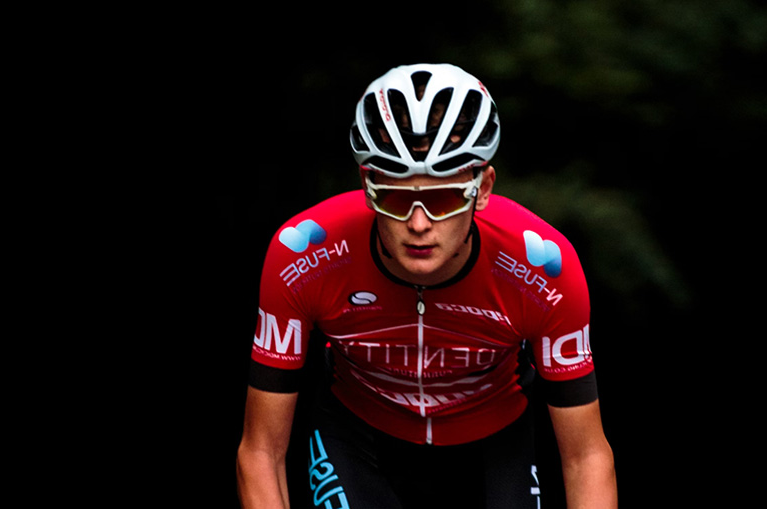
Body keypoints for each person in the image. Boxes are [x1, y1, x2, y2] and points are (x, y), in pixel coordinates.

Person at [237, 63, 617, 508]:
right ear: (368, 186)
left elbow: (586, 458)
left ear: (483, 189)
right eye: (397, 197)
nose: (419, 224)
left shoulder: (542, 269)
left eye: (443, 198)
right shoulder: (305, 254)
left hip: (493, 445)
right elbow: (260, 453)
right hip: (358, 439)